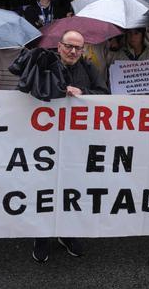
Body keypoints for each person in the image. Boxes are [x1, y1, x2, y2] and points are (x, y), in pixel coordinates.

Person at [32, 30, 108, 264]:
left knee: (73, 190)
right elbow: (28, 95)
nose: (73, 51)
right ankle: (42, 236)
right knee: (46, 190)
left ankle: (67, 232)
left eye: (78, 47)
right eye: (69, 46)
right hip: (47, 144)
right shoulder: (43, 66)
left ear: (83, 50)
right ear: (59, 46)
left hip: (78, 144)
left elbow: (104, 95)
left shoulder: (89, 69)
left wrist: (83, 94)